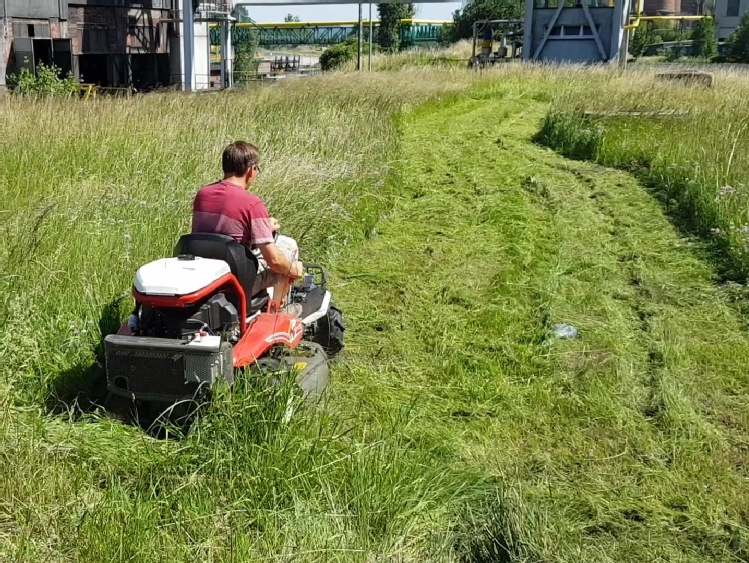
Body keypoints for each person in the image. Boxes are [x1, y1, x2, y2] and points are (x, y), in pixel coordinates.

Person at [191, 141, 304, 317]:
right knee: (287, 248)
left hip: (206, 276)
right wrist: (293, 269)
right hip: (238, 281)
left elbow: (217, 232)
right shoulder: (252, 204)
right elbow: (273, 260)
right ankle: (278, 311)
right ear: (251, 170)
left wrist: (263, 226)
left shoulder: (202, 194)